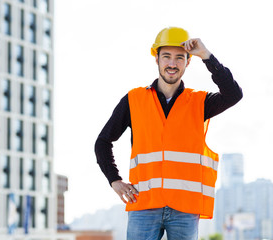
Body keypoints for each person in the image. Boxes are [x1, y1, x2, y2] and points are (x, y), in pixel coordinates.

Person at [94, 27, 243, 240]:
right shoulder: (134, 100)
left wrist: (207, 56)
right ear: (157, 59)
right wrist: (114, 179)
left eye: (179, 58)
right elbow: (103, 141)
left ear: (188, 62)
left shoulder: (199, 102)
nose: (172, 64)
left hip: (185, 209)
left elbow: (234, 94)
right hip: (143, 205)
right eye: (166, 57)